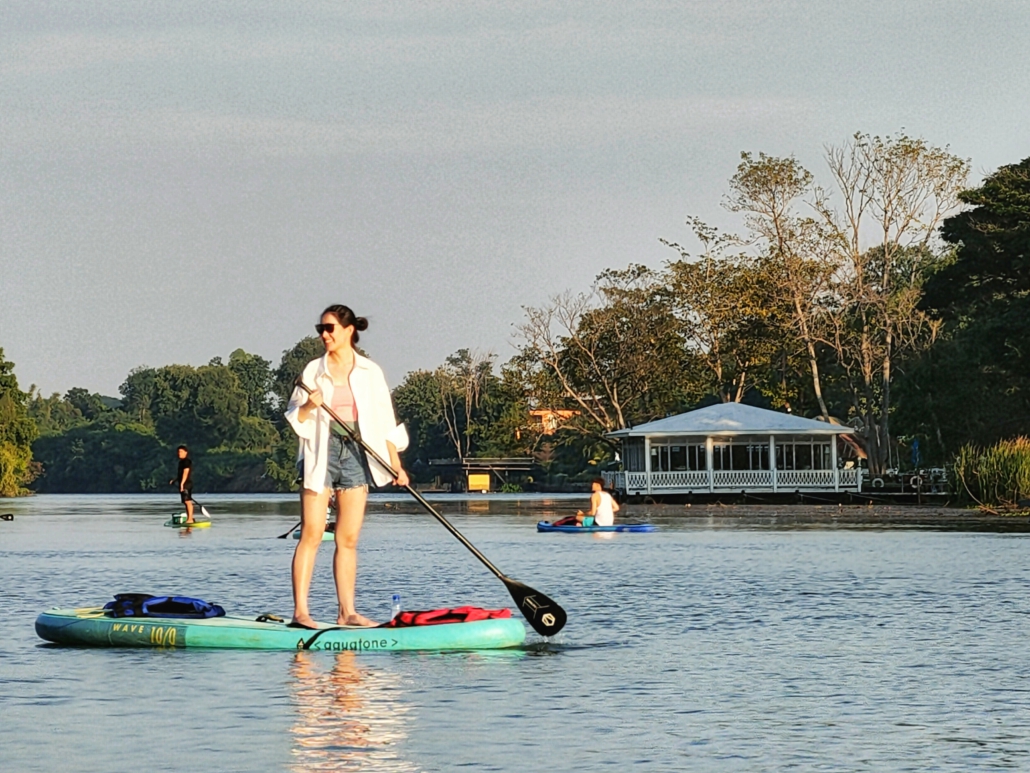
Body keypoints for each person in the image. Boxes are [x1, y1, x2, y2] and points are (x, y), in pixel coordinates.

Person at [285, 305, 409, 629]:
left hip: (358, 453)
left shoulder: (371, 372)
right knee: (311, 534)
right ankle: (301, 613)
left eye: (329, 328)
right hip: (321, 452)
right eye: (320, 329)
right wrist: (309, 406)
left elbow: (385, 421)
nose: (324, 335)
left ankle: (347, 613)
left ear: (349, 330)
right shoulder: (312, 371)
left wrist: (396, 465)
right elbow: (295, 418)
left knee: (348, 539)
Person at [170, 445, 195, 524]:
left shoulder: (187, 461)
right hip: (183, 483)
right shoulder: (181, 462)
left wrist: (182, 484)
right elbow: (180, 474)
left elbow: (185, 473)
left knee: (187, 501)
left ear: (186, 452)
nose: (179, 454)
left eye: (181, 452)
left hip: (186, 484)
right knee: (185, 501)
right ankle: (189, 518)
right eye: (178, 452)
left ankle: (190, 519)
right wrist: (175, 480)